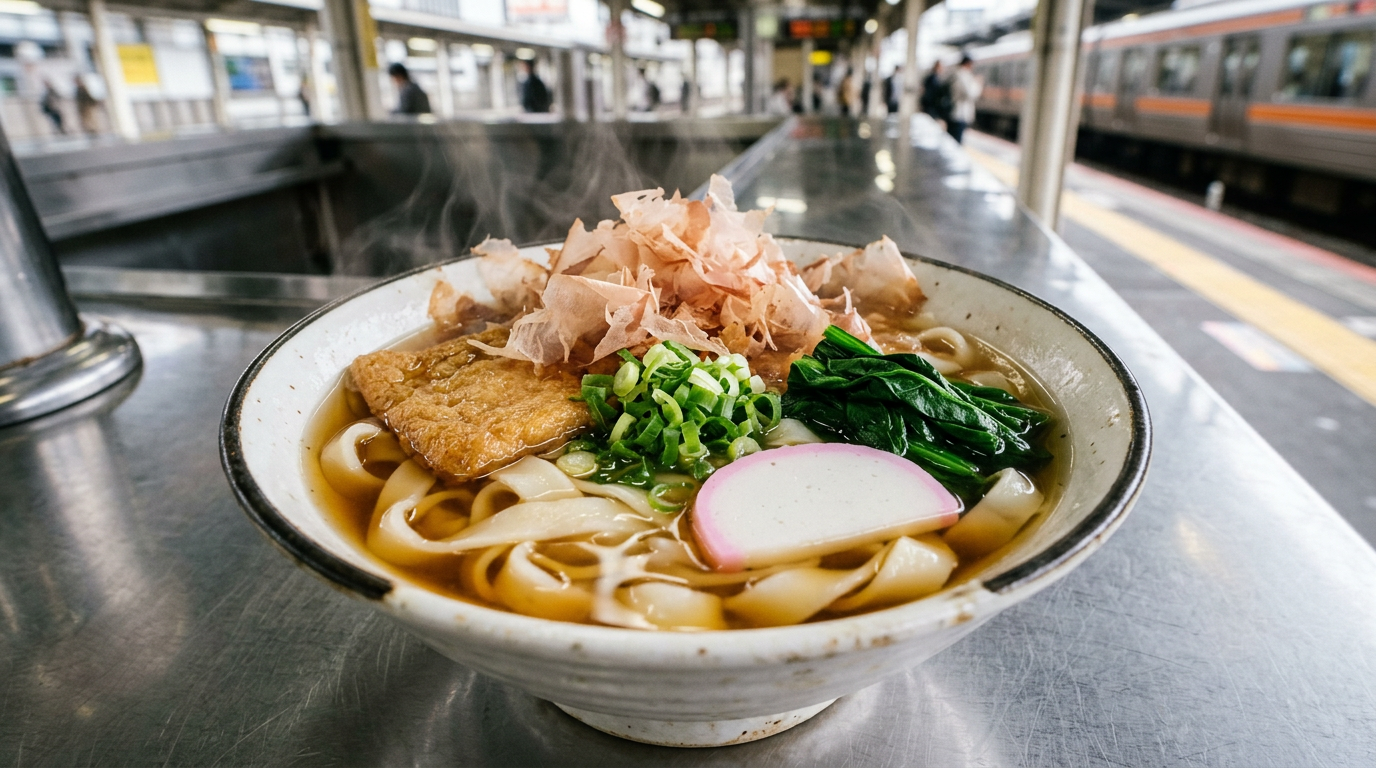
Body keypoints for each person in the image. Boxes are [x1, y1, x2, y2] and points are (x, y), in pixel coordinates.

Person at [948, 55, 982, 144]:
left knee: (954, 141)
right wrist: (978, 83)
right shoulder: (962, 75)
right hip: (959, 114)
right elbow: (970, 94)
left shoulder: (958, 74)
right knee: (956, 143)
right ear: (968, 64)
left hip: (957, 114)